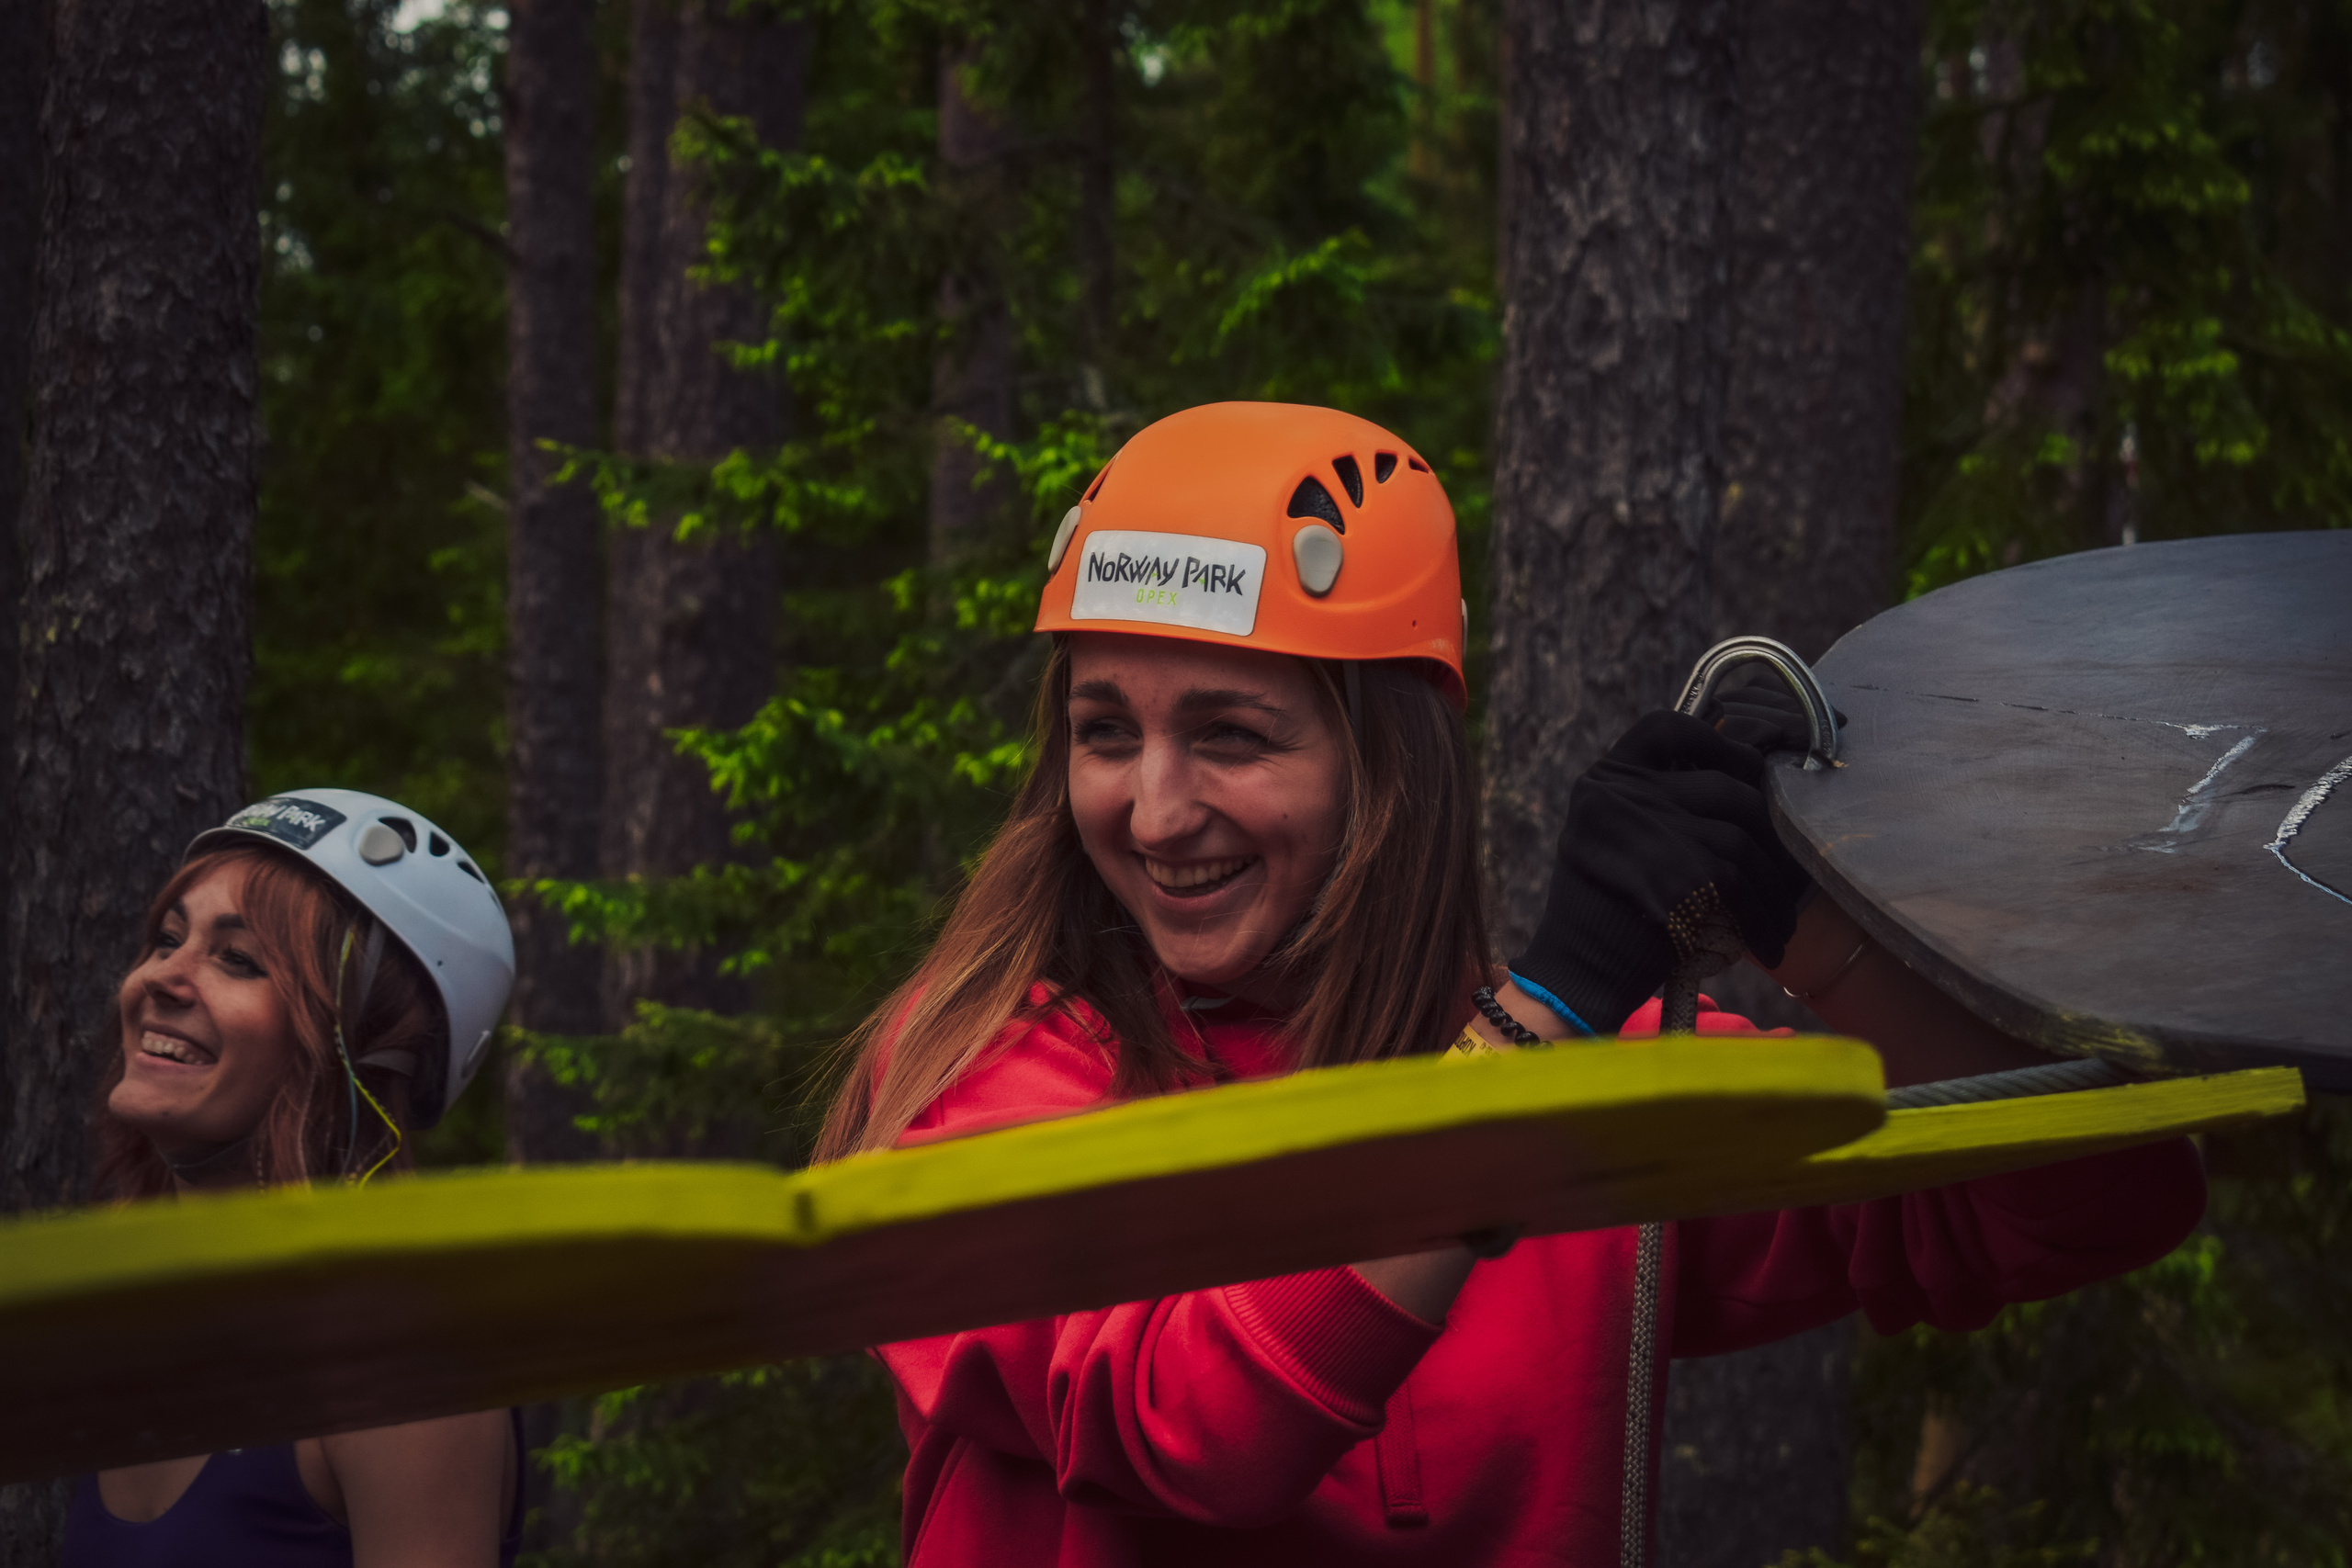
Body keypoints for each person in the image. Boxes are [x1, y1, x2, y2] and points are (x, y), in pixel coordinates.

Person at [815, 402, 2207, 1565]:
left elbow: (2091, 1201)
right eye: (1104, 732)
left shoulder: (1583, 1080)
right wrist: (1540, 1024)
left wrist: (1805, 926)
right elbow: (1195, 1419)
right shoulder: (984, 1073)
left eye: (1232, 734)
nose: (1157, 807)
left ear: (1390, 771)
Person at [65, 790, 524, 1568]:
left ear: (364, 1043)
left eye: (238, 959)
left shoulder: (399, 1364)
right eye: (167, 940)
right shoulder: (122, 1315)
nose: (161, 979)